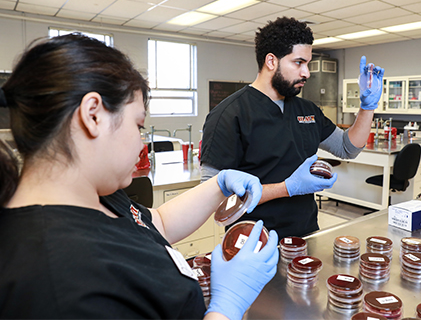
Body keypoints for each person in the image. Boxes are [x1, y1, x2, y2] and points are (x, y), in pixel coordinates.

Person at [0, 34, 279, 320]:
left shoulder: (96, 194)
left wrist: (217, 186)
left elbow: (156, 223)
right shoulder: (54, 278)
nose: (141, 144)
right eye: (138, 125)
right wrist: (227, 307)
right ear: (93, 115)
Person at [201, 17, 384, 239]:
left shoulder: (307, 110)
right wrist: (286, 188)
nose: (307, 73)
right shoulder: (228, 115)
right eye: (298, 63)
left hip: (305, 235)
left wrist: (367, 107)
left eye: (307, 63)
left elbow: (348, 148)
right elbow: (215, 199)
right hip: (254, 241)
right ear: (271, 61)